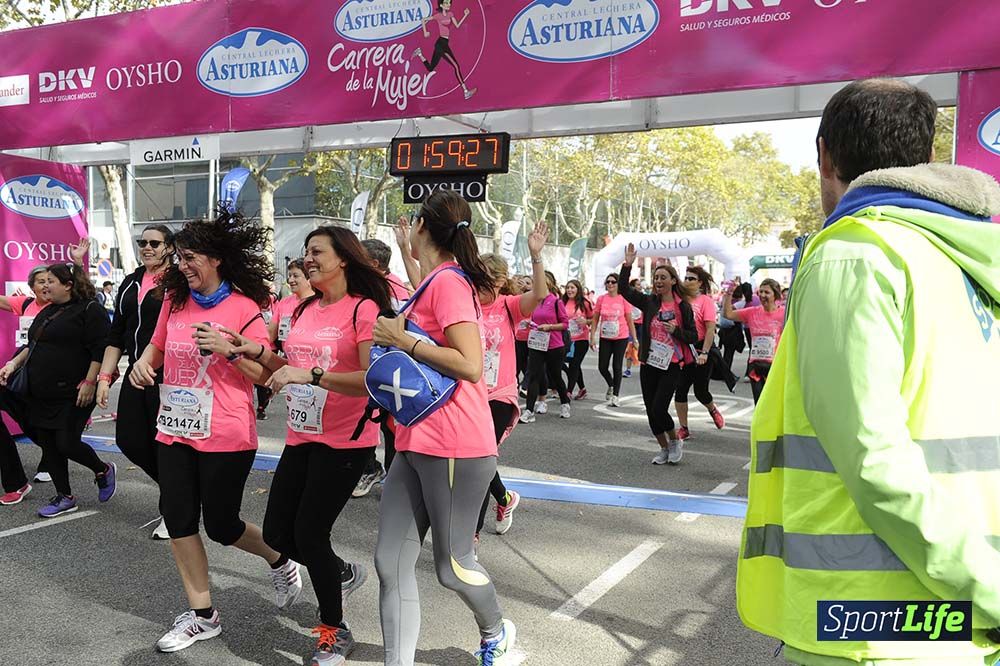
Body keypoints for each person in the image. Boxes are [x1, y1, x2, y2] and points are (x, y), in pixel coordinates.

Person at [737, 78, 1000, 665]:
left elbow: (874, 458)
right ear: (927, 157)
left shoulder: (855, 254)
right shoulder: (964, 257)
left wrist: (989, 590)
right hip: (952, 620)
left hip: (871, 622)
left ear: (826, 155)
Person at [129, 211, 300, 654]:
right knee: (179, 516)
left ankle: (279, 559)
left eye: (190, 258)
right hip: (174, 428)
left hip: (225, 431)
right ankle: (203, 616)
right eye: (178, 257)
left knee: (222, 526)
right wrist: (143, 364)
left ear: (218, 259)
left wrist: (228, 351)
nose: (182, 266)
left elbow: (266, 376)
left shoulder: (244, 308)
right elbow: (158, 346)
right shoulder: (174, 299)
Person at [229, 226, 393, 666]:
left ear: (344, 258)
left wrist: (313, 376)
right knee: (281, 534)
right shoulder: (302, 310)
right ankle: (339, 572)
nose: (308, 259)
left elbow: (371, 381)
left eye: (317, 252)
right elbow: (283, 371)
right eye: (306, 253)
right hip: (303, 435)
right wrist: (251, 353)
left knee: (310, 534)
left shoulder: (364, 309)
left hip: (347, 441)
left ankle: (333, 631)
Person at [372, 190, 515, 666]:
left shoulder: (450, 283)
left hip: (456, 444)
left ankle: (496, 632)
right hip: (414, 440)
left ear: (420, 227)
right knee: (389, 561)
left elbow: (471, 365)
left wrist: (402, 338)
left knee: (452, 568)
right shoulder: (434, 280)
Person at [0, 263, 116, 517]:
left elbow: (100, 349)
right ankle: (64, 496)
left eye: (50, 281)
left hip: (74, 391)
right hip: (42, 391)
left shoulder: (90, 309)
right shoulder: (47, 310)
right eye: (43, 281)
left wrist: (89, 382)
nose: (45, 286)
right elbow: (32, 345)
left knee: (66, 443)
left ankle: (103, 469)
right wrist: (12, 364)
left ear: (68, 285)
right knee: (49, 446)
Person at [95, 225, 175, 539]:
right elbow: (116, 334)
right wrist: (105, 377)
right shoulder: (130, 282)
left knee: (165, 445)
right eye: (143, 242)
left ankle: (174, 506)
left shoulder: (179, 282)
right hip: (134, 373)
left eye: (155, 243)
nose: (147, 247)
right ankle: (180, 491)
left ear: (169, 247)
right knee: (129, 440)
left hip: (168, 375)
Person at [476, 241, 548, 543]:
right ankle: (504, 498)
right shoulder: (466, 306)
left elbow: (540, 294)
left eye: (483, 279)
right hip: (469, 394)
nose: (475, 284)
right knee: (475, 461)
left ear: (498, 281)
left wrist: (535, 256)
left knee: (478, 462)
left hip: (500, 396)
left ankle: (471, 536)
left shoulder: (508, 306)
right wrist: (406, 248)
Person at [619, 244, 698, 464]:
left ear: (673, 281)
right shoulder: (649, 302)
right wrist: (628, 264)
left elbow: (693, 336)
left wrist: (677, 331)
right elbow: (624, 289)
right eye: (656, 278)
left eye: (663, 277)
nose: (658, 281)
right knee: (650, 411)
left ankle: (674, 440)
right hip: (649, 362)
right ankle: (663, 448)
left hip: (671, 364)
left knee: (659, 407)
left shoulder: (683, 307)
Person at [353, 238, 414, 497]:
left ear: (374, 264)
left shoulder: (392, 291)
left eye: (358, 258)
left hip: (389, 367)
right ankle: (375, 470)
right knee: (371, 422)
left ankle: (389, 479)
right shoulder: (371, 286)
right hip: (374, 365)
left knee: (389, 427)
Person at [674, 265, 725, 439]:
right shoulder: (679, 299)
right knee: (680, 389)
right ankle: (684, 427)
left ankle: (712, 409)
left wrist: (704, 352)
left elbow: (710, 329)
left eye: (691, 278)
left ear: (700, 283)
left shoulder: (705, 301)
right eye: (685, 278)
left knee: (700, 391)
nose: (687, 281)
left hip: (702, 348)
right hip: (684, 349)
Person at [721, 278, 784, 404]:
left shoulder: (784, 313)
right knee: (759, 403)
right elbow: (727, 314)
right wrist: (729, 294)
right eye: (760, 292)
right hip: (756, 365)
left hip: (775, 365)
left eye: (767, 292)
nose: (762, 295)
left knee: (773, 404)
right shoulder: (752, 312)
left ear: (775, 295)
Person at [520, 270, 571, 423]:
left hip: (554, 345)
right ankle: (529, 410)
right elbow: (535, 320)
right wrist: (530, 324)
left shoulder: (556, 301)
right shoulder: (534, 301)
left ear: (546, 283)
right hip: (537, 343)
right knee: (534, 375)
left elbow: (565, 324)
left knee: (555, 375)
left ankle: (565, 403)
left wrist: (549, 327)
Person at [412, 0, 477, 99]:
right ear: (441, 5)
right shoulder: (438, 16)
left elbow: (457, 25)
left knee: (430, 68)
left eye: (449, 3)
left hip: (443, 43)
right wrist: (425, 32)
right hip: (441, 44)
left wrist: (465, 15)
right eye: (446, 3)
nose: (449, 5)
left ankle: (420, 53)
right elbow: (423, 19)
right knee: (456, 66)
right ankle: (465, 91)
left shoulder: (450, 14)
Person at [591, 273, 636, 406]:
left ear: (618, 284)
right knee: (602, 366)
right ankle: (611, 384)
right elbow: (595, 319)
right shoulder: (601, 299)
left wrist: (635, 338)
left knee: (617, 366)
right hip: (605, 337)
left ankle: (616, 395)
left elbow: (629, 319)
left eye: (613, 282)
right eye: (608, 282)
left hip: (620, 336)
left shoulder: (623, 299)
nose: (610, 284)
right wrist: (592, 336)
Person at [561, 279, 592, 400]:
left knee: (574, 364)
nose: (569, 290)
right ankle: (582, 389)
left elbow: (593, 318)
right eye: (568, 288)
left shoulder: (585, 303)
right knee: (569, 364)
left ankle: (568, 392)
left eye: (572, 288)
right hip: (566, 339)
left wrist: (586, 321)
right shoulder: (562, 302)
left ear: (578, 289)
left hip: (581, 339)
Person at [623, 279, 645, 379]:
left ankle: (645, 368)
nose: (640, 286)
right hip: (631, 324)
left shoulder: (645, 297)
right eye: (638, 284)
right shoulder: (629, 297)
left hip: (642, 324)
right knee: (631, 346)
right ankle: (628, 369)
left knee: (641, 346)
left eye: (640, 285)